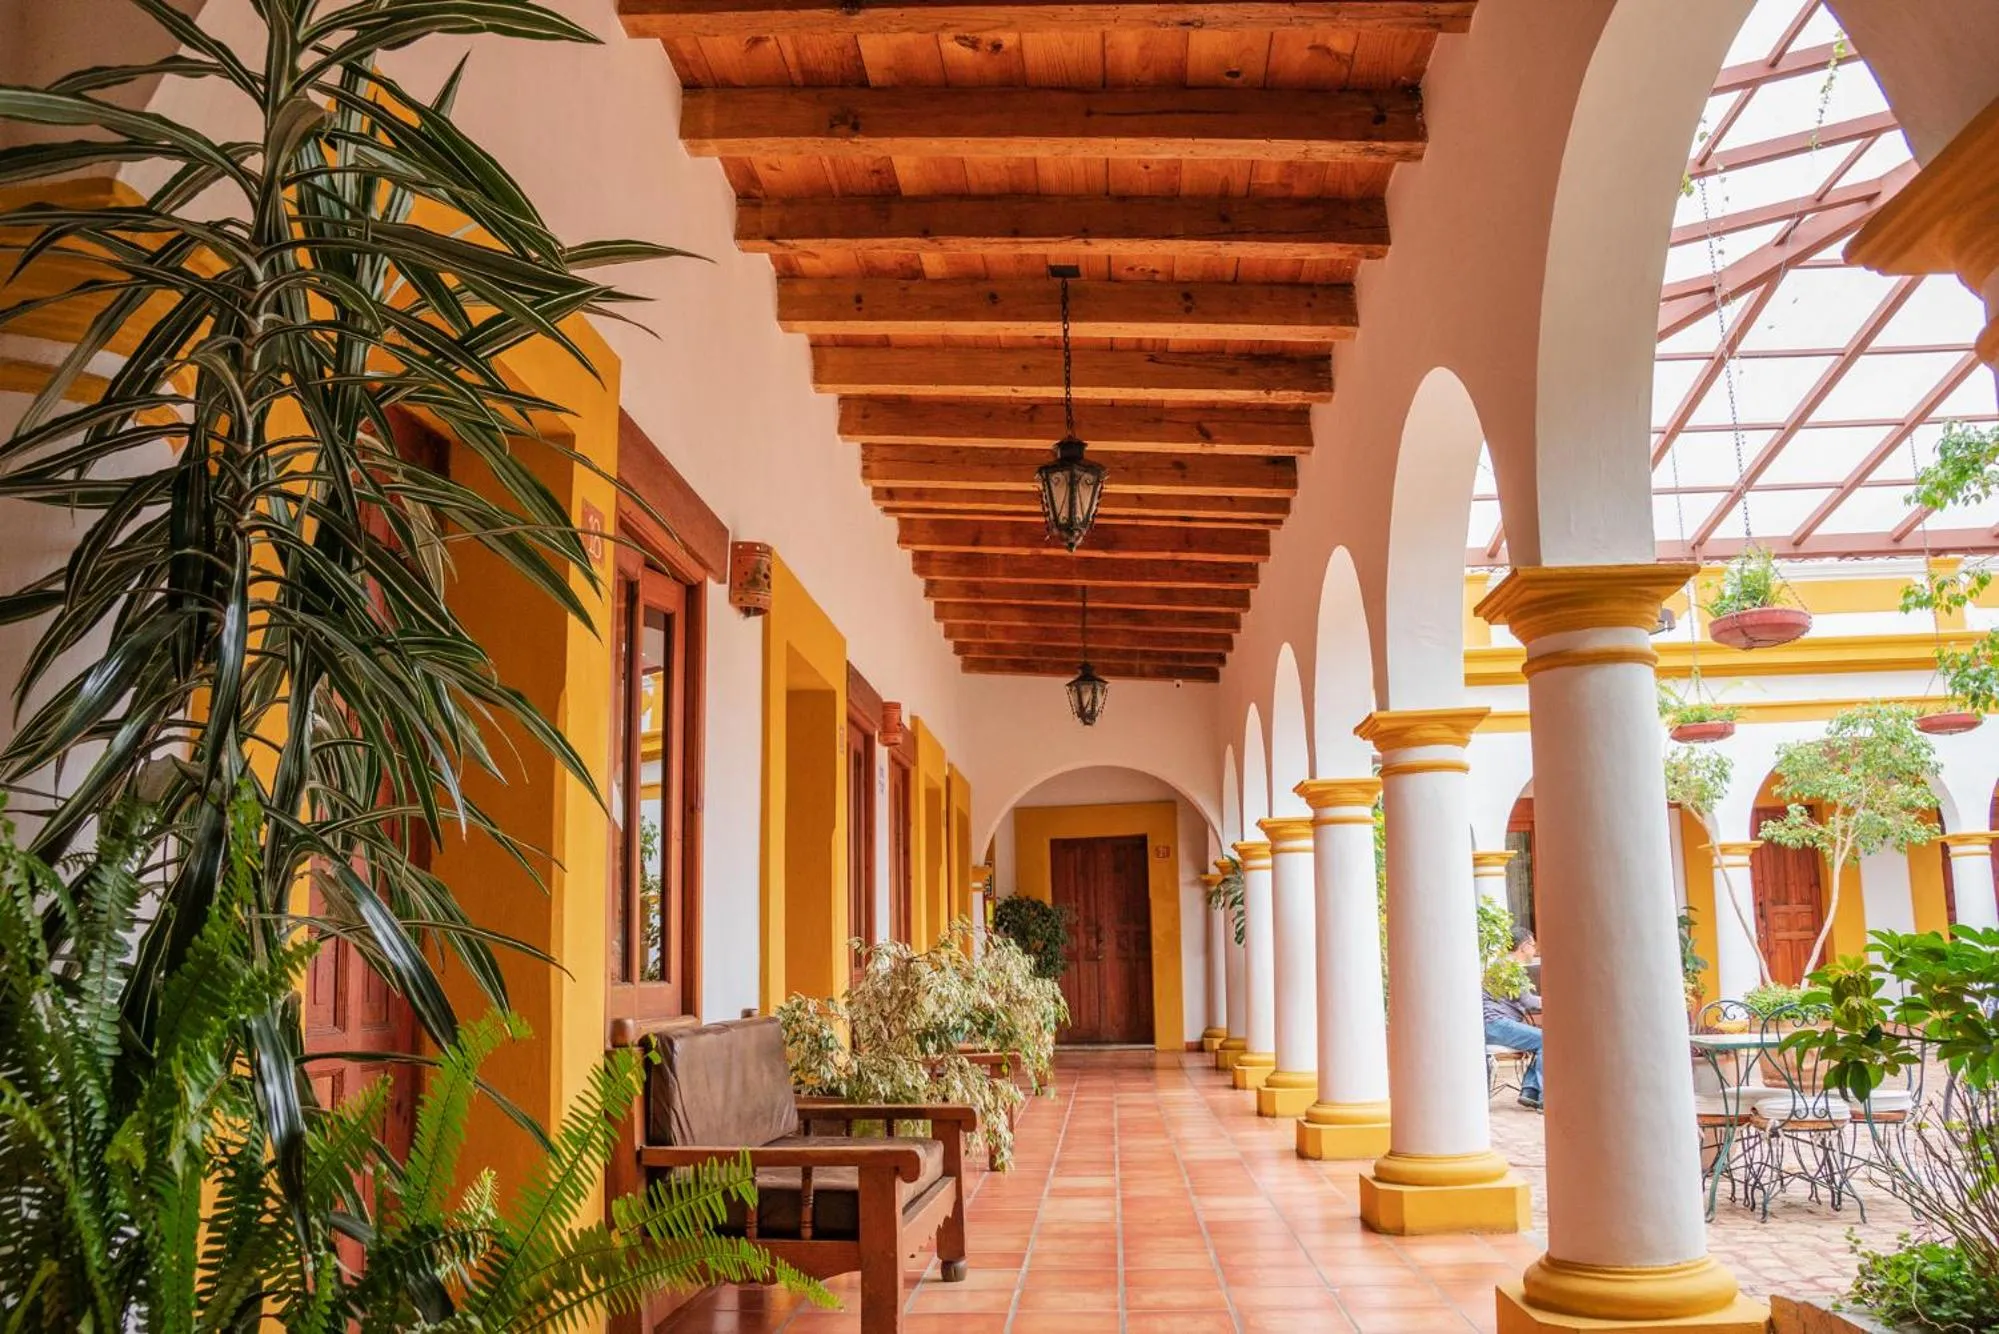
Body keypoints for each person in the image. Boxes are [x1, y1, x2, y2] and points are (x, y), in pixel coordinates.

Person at [1484, 925, 1544, 1112]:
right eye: (1533, 945)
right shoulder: (1510, 967)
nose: (1535, 950)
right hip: (1497, 1024)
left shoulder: (1502, 964)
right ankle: (1541, 1096)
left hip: (1494, 1024)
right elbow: (1529, 1002)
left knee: (1543, 1040)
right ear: (1524, 946)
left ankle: (1529, 1092)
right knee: (1548, 1039)